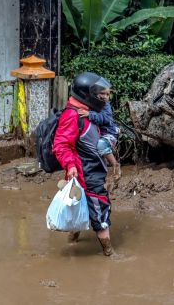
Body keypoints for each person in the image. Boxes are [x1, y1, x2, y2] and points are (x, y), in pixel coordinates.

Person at [53, 72, 115, 256]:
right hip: (86, 174)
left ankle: (72, 243)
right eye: (99, 94)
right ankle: (110, 253)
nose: (102, 97)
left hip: (89, 171)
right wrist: (70, 165)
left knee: (77, 208)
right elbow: (61, 145)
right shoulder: (72, 115)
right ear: (88, 95)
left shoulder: (89, 111)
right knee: (100, 210)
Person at [76, 86, 121, 179]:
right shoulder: (92, 103)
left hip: (109, 133)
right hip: (99, 134)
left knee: (101, 145)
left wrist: (90, 114)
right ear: (95, 94)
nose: (105, 96)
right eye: (102, 93)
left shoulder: (106, 105)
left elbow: (106, 118)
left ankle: (115, 165)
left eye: (107, 94)